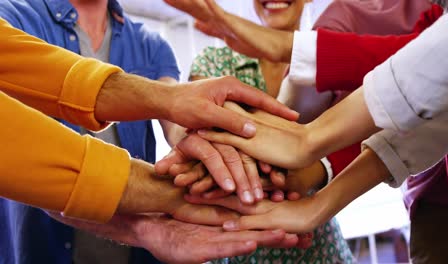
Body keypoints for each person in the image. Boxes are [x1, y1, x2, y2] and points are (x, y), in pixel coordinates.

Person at [167, 0, 448, 261]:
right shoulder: (218, 61)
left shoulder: (349, 20)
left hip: (318, 240)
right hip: (247, 236)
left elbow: (431, 74)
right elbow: (436, 85)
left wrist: (311, 149)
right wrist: (315, 181)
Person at [0, 13, 301, 264]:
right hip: (44, 247)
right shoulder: (14, 14)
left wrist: (212, 145)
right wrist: (178, 191)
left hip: (139, 247)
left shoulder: (150, 43)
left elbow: (176, 120)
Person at [187, 0, 353, 263]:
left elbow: (356, 136)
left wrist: (311, 172)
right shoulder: (213, 62)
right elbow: (203, 130)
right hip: (235, 245)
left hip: (315, 245)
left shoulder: (336, 59)